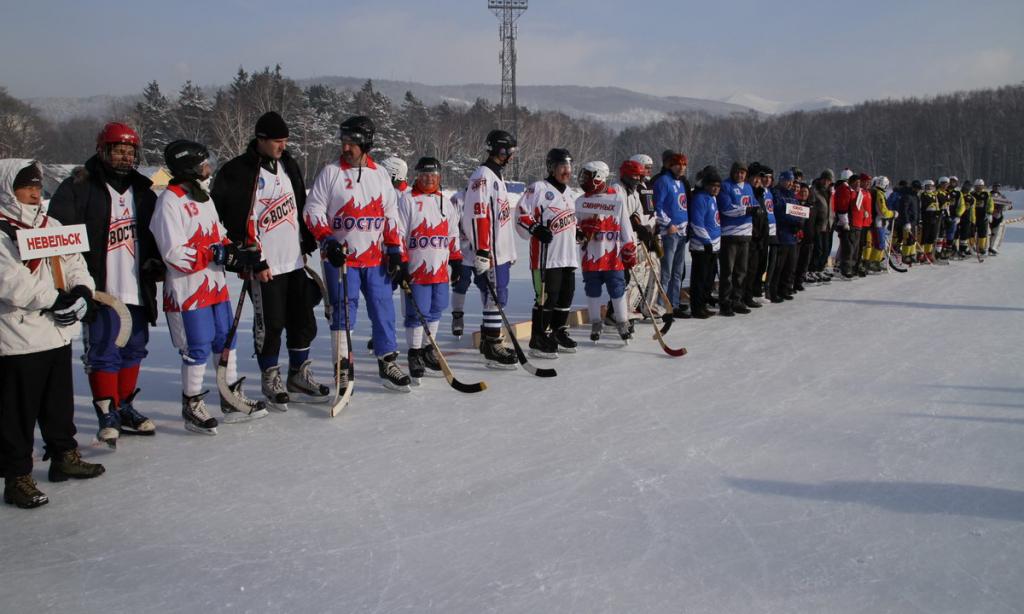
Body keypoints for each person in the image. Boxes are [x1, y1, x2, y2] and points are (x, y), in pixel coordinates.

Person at [47, 122, 160, 446]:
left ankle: (125, 406)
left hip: (136, 286)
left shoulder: (142, 190)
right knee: (103, 350)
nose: (125, 157)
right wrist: (73, 282)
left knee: (135, 348)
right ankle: (107, 410)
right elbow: (59, 233)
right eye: (118, 151)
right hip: (100, 288)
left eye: (130, 152)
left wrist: (155, 261)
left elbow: (155, 234)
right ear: (103, 151)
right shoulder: (80, 186)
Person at [0, 162, 106, 508]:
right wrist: (54, 299)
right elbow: (11, 282)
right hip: (18, 335)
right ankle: (17, 476)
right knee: (18, 412)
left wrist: (82, 293)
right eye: (25, 187)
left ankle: (63, 456)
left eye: (37, 186)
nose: (34, 193)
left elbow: (76, 262)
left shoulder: (51, 225)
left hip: (57, 332)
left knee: (57, 402)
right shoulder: (2, 230)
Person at [211, 111, 328, 412]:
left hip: (293, 260)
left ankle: (298, 374)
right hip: (265, 266)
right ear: (260, 139)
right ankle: (270, 376)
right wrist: (248, 258)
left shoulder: (287, 164)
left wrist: (305, 242)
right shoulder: (238, 171)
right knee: (271, 324)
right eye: (277, 141)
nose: (282, 146)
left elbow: (299, 204)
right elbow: (222, 217)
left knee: (303, 320)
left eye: (286, 140)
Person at [151, 140, 268, 435]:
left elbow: (220, 234)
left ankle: (229, 396)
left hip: (214, 285)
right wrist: (214, 254)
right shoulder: (169, 202)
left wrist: (238, 252)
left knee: (224, 340)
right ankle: (192, 403)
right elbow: (173, 253)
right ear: (188, 167)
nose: (209, 168)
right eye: (204, 164)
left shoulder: (203, 198)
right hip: (187, 290)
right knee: (198, 346)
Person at [304, 116, 412, 391]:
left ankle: (387, 360)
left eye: (352, 142)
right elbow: (313, 210)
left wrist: (395, 251)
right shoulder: (331, 173)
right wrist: (327, 240)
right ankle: (343, 366)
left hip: (375, 259)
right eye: (344, 141)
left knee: (383, 309)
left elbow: (390, 215)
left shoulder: (379, 176)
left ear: (366, 143)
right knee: (343, 312)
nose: (346, 147)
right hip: (341, 260)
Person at [397, 157, 462, 379]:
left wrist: (456, 259)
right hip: (416, 270)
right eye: (425, 175)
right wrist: (401, 262)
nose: (429, 179)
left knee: (437, 308)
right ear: (417, 176)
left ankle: (428, 348)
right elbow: (398, 234)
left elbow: (452, 234)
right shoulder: (408, 201)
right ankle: (414, 352)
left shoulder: (445, 202)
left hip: (440, 270)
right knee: (417, 313)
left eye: (433, 175)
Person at [460, 129, 519, 369]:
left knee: (497, 295)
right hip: (490, 252)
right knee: (494, 297)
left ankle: (488, 340)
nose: (512, 156)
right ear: (500, 150)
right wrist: (483, 251)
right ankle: (493, 343)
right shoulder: (482, 176)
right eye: (510, 151)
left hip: (500, 251)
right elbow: (478, 215)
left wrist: (509, 251)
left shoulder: (496, 175)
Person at [516, 148, 578, 359]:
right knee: (546, 298)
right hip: (546, 258)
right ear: (551, 167)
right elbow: (521, 214)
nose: (566, 171)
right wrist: (536, 229)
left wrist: (579, 233)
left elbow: (567, 222)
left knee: (566, 297)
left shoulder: (570, 192)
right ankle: (538, 337)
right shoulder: (538, 189)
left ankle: (558, 331)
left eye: (569, 166)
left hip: (568, 256)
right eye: (562, 166)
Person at [576, 161, 637, 342]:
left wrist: (629, 247)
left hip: (613, 256)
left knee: (617, 289)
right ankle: (596, 321)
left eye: (588, 175)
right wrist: (582, 231)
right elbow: (575, 230)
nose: (584, 179)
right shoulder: (581, 201)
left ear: (599, 177)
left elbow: (625, 225)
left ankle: (622, 321)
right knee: (592, 289)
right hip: (590, 256)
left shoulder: (615, 198)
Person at [653, 151, 689, 318]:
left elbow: (681, 206)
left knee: (677, 271)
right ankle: (661, 306)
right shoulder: (663, 181)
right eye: (677, 164)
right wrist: (668, 223)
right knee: (666, 272)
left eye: (683, 165)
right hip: (669, 233)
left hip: (682, 231)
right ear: (670, 165)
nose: (681, 168)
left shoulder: (680, 183)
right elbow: (657, 207)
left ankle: (673, 304)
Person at [717, 161, 755, 313]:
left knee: (741, 271)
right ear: (732, 172)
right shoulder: (726, 186)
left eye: (743, 173)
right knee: (728, 271)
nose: (740, 175)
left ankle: (737, 300)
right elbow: (726, 208)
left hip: (745, 233)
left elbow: (753, 203)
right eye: (738, 172)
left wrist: (755, 210)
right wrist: (746, 211)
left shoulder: (747, 187)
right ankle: (725, 302)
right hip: (730, 233)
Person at [687, 166, 722, 318]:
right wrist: (706, 241)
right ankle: (697, 308)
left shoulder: (712, 198)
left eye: (718, 186)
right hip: (702, 246)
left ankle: (703, 305)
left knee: (708, 278)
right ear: (706, 185)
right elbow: (697, 223)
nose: (715, 189)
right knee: (699, 279)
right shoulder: (701, 198)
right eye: (713, 186)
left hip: (713, 245)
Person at [769, 170, 802, 302]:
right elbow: (779, 211)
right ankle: (774, 290)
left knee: (790, 265)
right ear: (781, 180)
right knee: (779, 266)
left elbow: (799, 211)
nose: (789, 184)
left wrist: (799, 223)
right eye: (787, 181)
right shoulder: (776, 193)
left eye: (791, 181)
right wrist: (793, 221)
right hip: (781, 233)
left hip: (792, 235)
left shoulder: (793, 195)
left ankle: (785, 288)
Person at [744, 163, 773, 305]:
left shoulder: (761, 193)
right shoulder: (748, 191)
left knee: (762, 265)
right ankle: (747, 295)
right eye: (754, 178)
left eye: (759, 179)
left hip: (763, 233)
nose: (757, 181)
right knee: (751, 267)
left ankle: (756, 291)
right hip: (752, 234)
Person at [808, 170, 834, 282]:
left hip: (828, 224)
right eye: (825, 179)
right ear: (821, 179)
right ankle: (812, 269)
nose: (826, 182)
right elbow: (811, 207)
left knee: (826, 249)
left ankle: (820, 269)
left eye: (828, 180)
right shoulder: (814, 190)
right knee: (818, 249)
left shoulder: (830, 192)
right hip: (818, 225)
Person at [970, 179, 995, 260]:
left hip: (983, 216)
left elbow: (990, 204)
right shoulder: (972, 194)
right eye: (977, 186)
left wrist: (989, 213)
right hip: (973, 216)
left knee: (982, 232)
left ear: (983, 186)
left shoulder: (986, 194)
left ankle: (982, 247)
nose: (978, 188)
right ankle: (971, 246)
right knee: (971, 232)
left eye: (980, 186)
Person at [918, 179, 940, 263]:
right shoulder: (922, 195)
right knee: (924, 237)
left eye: (931, 186)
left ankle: (928, 253)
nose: (929, 188)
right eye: (928, 186)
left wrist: (938, 212)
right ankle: (921, 254)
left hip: (933, 219)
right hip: (925, 218)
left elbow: (937, 205)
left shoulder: (934, 195)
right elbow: (920, 207)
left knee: (932, 237)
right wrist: (920, 219)